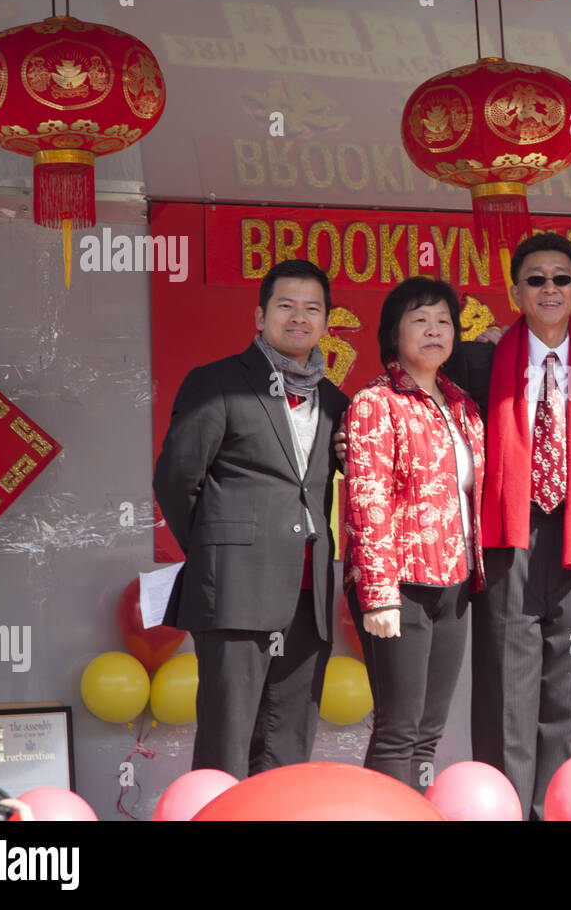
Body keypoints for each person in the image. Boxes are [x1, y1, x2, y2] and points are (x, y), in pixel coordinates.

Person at [153, 259, 349, 779]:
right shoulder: (218, 383)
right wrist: (220, 554)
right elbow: (175, 481)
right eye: (286, 306)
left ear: (326, 323)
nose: (299, 318)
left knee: (289, 743)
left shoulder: (336, 401)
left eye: (312, 308)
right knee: (227, 742)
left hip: (309, 596)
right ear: (260, 316)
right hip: (236, 592)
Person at [466, 233, 571, 820]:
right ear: (515, 291)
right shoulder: (478, 361)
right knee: (508, 694)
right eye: (536, 279)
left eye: (561, 279)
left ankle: (560, 811)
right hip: (510, 537)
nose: (550, 289)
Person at [342, 277, 485, 792]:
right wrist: (379, 596)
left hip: (455, 584)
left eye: (444, 320)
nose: (434, 330)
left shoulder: (463, 405)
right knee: (399, 729)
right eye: (419, 319)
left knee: (428, 731)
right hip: (399, 589)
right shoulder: (375, 403)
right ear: (393, 333)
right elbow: (367, 502)